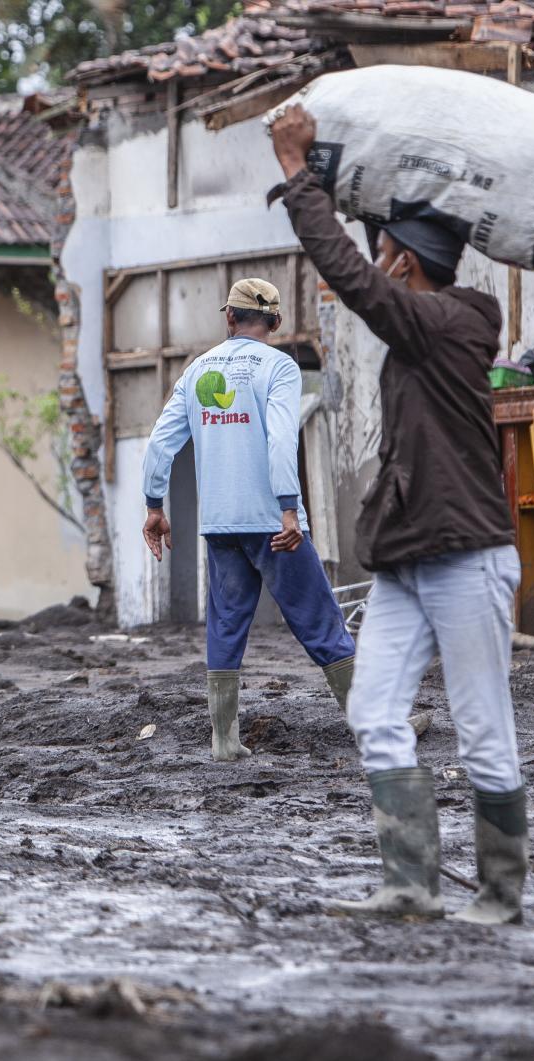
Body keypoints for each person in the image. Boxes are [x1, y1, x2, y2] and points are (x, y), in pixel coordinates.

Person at [270, 104, 526, 924]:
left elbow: (349, 274)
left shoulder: (443, 326)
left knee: (483, 727)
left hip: (467, 554)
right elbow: (359, 264)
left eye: (384, 253)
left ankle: (500, 895)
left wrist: (297, 174)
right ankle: (410, 885)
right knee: (374, 709)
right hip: (410, 557)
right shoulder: (427, 323)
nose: (374, 265)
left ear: (405, 265)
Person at [142, 278, 358, 762]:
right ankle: (373, 726)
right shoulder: (279, 367)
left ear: (229, 318)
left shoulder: (197, 370)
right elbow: (282, 440)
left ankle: (223, 740)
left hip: (219, 522)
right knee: (319, 617)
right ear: (276, 322)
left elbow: (160, 444)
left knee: (225, 623)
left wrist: (155, 507)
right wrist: (288, 507)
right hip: (271, 520)